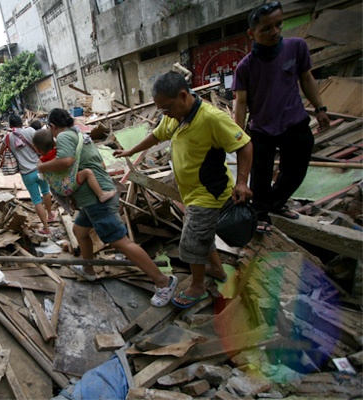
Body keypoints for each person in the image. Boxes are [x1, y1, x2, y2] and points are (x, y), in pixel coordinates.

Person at [114, 71, 253, 309]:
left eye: (167, 108)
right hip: (191, 193)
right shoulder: (174, 116)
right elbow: (156, 136)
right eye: (161, 110)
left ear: (183, 95)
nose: (164, 113)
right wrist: (131, 151)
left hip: (209, 192)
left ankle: (197, 287)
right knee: (201, 235)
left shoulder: (212, 118)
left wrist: (241, 182)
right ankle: (217, 269)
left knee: (190, 242)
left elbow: (245, 145)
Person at [38, 108, 178, 307]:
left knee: (121, 242)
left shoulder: (62, 138)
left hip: (96, 200)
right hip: (96, 195)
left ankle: (164, 282)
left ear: (52, 127)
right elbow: (102, 165)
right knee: (79, 230)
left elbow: (66, 161)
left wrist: (42, 167)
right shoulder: (81, 136)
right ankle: (89, 270)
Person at [232, 1, 330, 234]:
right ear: (251, 34)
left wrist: (320, 108)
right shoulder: (246, 67)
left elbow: (306, 79)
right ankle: (261, 212)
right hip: (262, 128)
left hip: (293, 121)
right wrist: (237, 135)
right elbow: (241, 102)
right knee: (261, 176)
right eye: (266, 28)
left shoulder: (296, 47)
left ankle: (275, 204)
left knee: (296, 170)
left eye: (278, 25)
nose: (274, 32)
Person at [0, 114, 56, 236]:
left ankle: (46, 228)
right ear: (21, 123)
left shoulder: (8, 138)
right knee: (46, 191)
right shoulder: (30, 131)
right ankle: (50, 214)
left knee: (36, 200)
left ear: (10, 126)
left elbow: (1, 151)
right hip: (40, 167)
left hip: (26, 174)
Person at [33, 128, 116, 203]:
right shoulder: (60, 154)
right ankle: (101, 195)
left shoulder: (42, 161)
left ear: (37, 149)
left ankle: (72, 202)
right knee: (88, 172)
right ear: (54, 143)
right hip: (68, 184)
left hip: (58, 188)